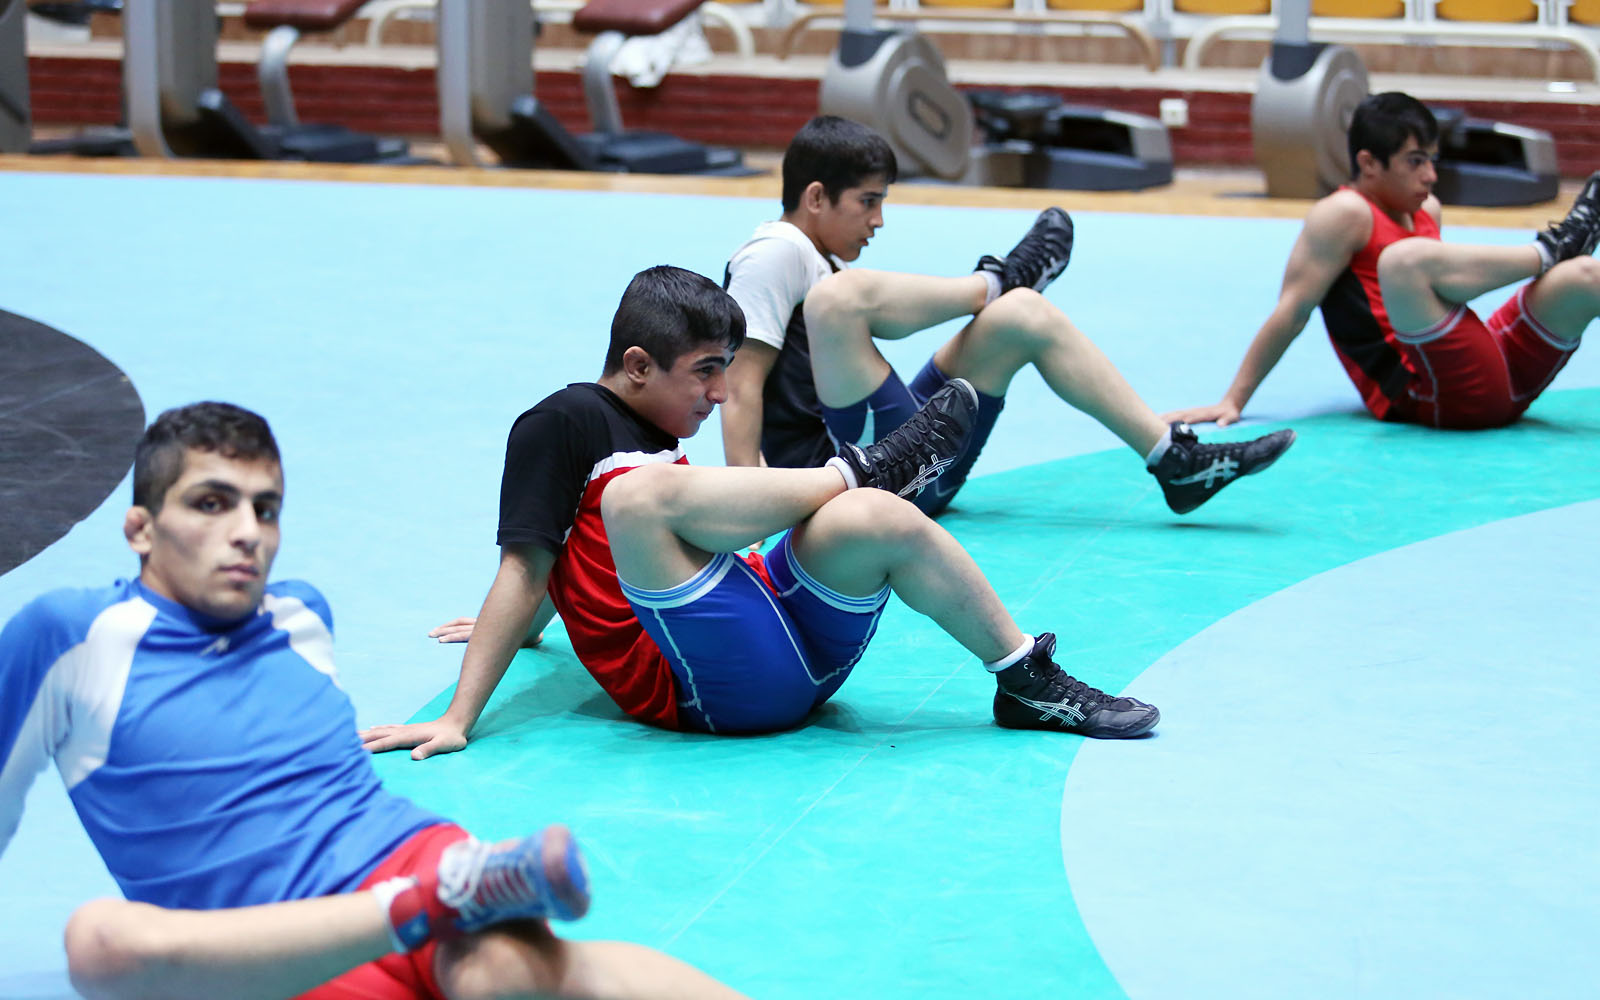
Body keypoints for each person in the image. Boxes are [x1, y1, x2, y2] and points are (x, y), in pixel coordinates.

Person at [0, 401, 745, 1000]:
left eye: (265, 509)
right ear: (139, 529)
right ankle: (436, 899)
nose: (246, 533)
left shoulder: (299, 615)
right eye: (212, 503)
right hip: (257, 950)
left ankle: (442, 896)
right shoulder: (71, 637)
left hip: (407, 859)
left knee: (510, 971)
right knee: (99, 942)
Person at [360, 266, 1159, 764]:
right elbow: (529, 562)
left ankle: (1024, 679)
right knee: (637, 497)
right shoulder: (560, 424)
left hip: (786, 650)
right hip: (704, 689)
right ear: (636, 366)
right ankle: (861, 465)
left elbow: (561, 559)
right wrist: (460, 715)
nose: (719, 393)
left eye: (726, 371)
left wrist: (536, 624)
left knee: (870, 516)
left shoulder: (653, 434)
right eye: (705, 371)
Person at [718, 114, 1296, 517]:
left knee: (1023, 312)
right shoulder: (775, 253)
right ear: (816, 197)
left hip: (913, 465)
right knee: (839, 301)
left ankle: (1174, 459)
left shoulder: (819, 258)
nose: (879, 221)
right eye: (868, 202)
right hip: (850, 481)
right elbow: (740, 389)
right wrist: (748, 518)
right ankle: (995, 280)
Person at [1167, 91, 1600, 431]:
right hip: (1426, 396)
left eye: (1432, 160)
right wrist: (1234, 400)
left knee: (1584, 276)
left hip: (1493, 381)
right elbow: (1292, 311)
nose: (1430, 176)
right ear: (1369, 163)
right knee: (1402, 261)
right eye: (1415, 162)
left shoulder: (1426, 208)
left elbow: (1443, 309)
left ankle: (1556, 253)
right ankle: (1550, 249)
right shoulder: (1343, 214)